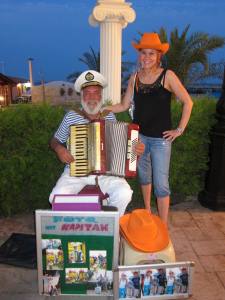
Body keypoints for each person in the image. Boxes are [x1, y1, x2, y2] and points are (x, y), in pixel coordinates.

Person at [104, 32, 193, 224]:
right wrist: (103, 108)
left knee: (161, 185)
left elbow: (188, 102)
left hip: (161, 140)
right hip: (139, 137)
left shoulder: (167, 76)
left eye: (151, 54)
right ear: (139, 55)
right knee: (144, 177)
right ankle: (146, 211)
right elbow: (124, 105)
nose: (146, 57)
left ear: (158, 56)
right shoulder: (134, 78)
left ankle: (162, 224)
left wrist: (179, 129)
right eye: (143, 53)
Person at [49, 70, 144, 216]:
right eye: (87, 93)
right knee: (55, 198)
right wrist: (59, 149)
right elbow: (55, 140)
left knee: (124, 193)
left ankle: (110, 229)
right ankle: (78, 226)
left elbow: (120, 144)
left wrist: (135, 148)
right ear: (82, 96)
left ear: (101, 96)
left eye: (96, 93)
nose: (91, 97)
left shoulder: (109, 116)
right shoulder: (71, 116)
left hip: (107, 173)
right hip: (75, 173)